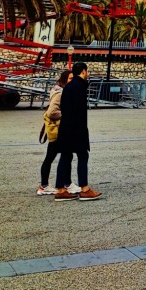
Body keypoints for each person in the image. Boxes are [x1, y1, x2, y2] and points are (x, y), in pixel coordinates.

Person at [54, 62, 103, 201]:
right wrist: (81, 132)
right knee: (83, 156)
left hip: (65, 127)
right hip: (76, 129)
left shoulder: (68, 87)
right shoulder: (80, 87)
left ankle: (61, 189)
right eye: (86, 72)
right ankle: (85, 189)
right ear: (83, 71)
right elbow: (79, 112)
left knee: (65, 157)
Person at [36, 70, 70, 195]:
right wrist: (68, 114)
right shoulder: (60, 93)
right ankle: (49, 185)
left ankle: (49, 184)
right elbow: (52, 112)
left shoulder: (58, 90)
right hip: (58, 130)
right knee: (61, 156)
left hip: (58, 130)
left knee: (58, 156)